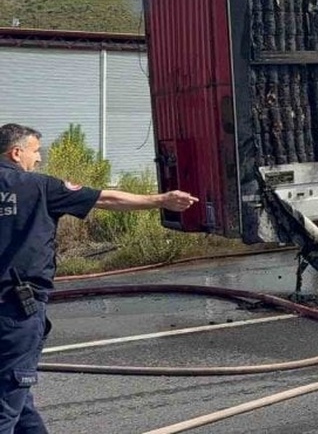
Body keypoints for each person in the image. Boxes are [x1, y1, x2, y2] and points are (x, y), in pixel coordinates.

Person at [0, 123, 197, 433]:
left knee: (16, 396)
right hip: (16, 311)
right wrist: (160, 200)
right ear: (16, 152)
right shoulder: (39, 187)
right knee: (7, 404)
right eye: (35, 151)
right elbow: (107, 199)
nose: (38, 158)